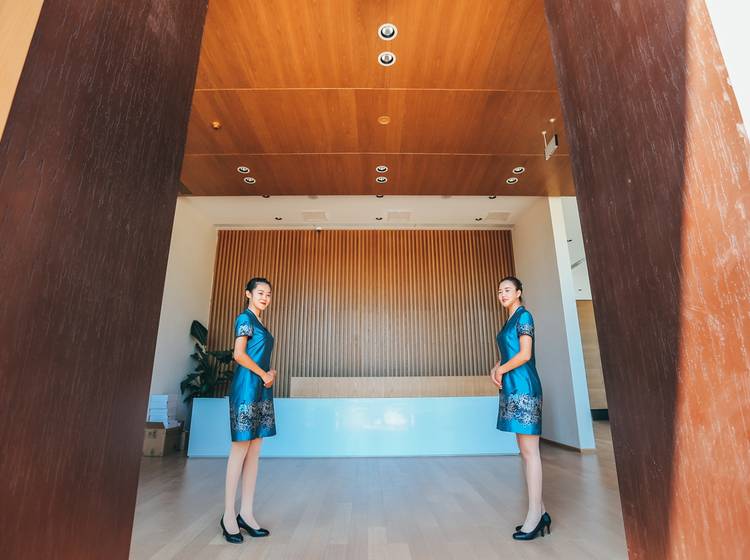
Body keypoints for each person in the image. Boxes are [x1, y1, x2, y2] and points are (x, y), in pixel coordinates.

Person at [491, 276, 551, 540]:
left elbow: (525, 354)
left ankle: (535, 515)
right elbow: (509, 351)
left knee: (530, 453)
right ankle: (542, 512)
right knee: (525, 453)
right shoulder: (510, 320)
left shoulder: (525, 316)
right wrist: (496, 366)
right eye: (499, 291)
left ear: (518, 292)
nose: (502, 294)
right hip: (513, 388)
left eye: (507, 290)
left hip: (525, 388)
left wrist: (501, 369)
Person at [220, 278, 277, 544]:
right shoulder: (244, 318)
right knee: (239, 450)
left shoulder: (260, 323)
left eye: (268, 294)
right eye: (260, 292)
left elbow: (258, 356)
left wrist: (270, 372)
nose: (265, 297)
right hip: (246, 388)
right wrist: (263, 374)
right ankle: (228, 516)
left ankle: (246, 513)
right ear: (248, 294)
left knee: (255, 452)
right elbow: (239, 354)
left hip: (261, 388)